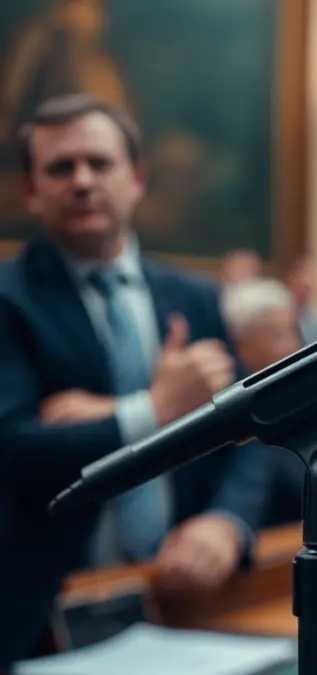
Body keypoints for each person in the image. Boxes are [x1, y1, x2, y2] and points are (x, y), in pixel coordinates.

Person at [0, 94, 273, 667]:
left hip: (185, 597)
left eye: (99, 163)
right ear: (30, 190)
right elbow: (14, 450)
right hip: (51, 608)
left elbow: (259, 428)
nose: (82, 181)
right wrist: (154, 408)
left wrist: (228, 524)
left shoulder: (193, 297)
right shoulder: (9, 298)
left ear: (137, 179)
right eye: (59, 167)